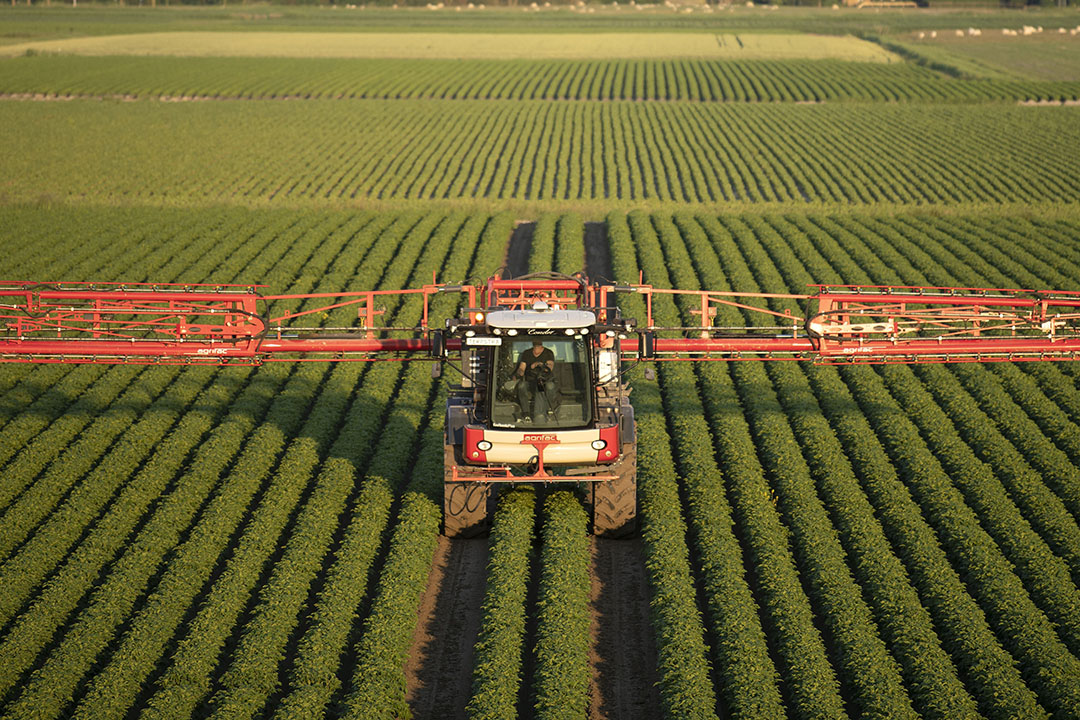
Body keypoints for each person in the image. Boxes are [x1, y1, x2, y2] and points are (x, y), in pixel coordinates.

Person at [515, 339, 558, 422]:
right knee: (521, 386)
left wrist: (541, 366)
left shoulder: (548, 353)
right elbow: (521, 368)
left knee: (543, 386)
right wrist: (521, 372)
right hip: (530, 381)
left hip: (543, 380)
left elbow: (550, 366)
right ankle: (526, 413)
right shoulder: (527, 353)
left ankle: (541, 414)